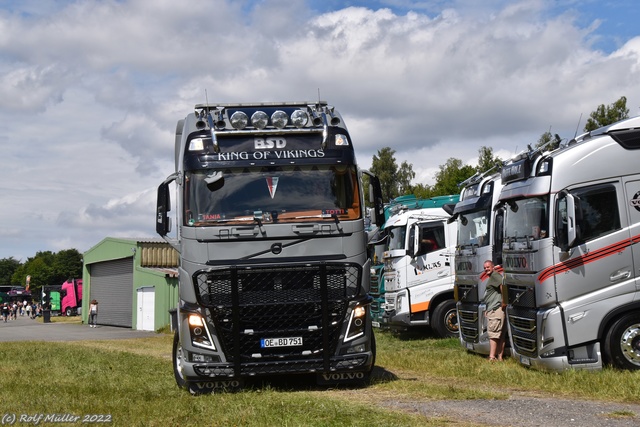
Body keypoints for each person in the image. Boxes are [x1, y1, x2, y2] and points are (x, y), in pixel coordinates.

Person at [483, 260, 506, 361]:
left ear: (493, 267)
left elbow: (502, 285)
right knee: (500, 334)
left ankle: (492, 357)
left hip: (496, 309)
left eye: (488, 267)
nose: (486, 269)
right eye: (484, 268)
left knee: (493, 334)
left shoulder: (495, 275)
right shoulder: (492, 277)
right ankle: (499, 357)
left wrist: (504, 301)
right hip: (493, 308)